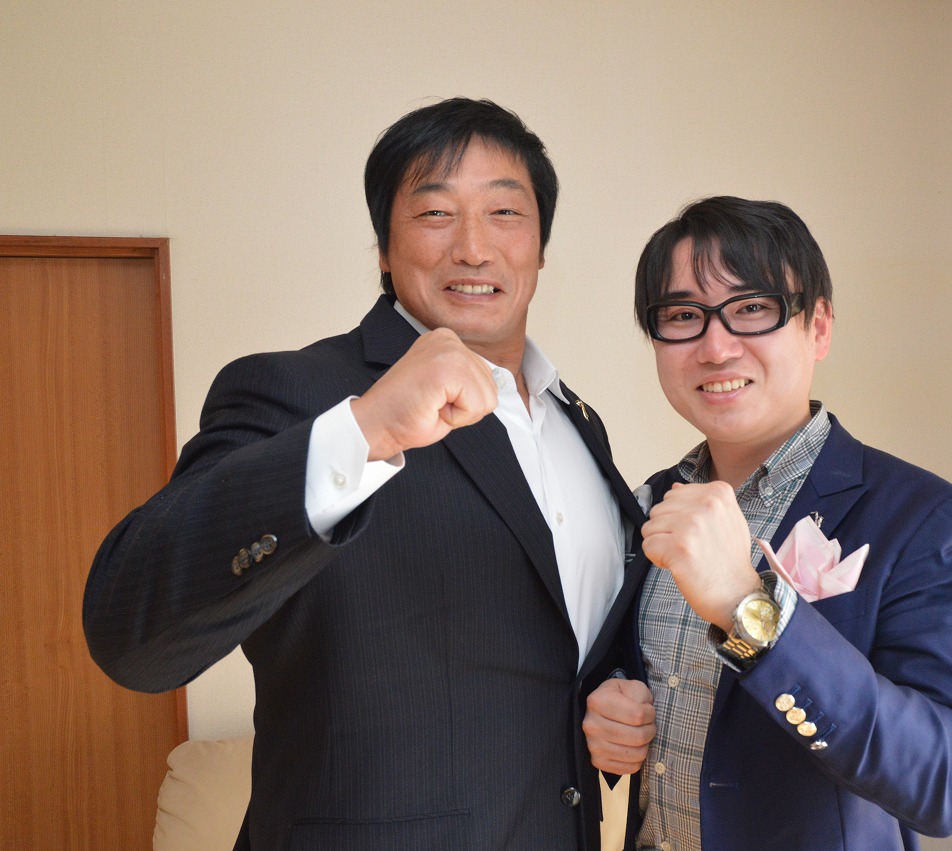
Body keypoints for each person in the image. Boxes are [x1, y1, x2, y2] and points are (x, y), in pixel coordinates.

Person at [84, 98, 647, 850]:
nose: (474, 247)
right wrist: (365, 430)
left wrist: (615, 697)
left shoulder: (578, 424)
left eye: (505, 212)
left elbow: (552, 649)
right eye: (436, 213)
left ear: (540, 246)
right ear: (384, 247)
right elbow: (131, 633)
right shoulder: (299, 393)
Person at [581, 196, 952, 850]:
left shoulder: (926, 518)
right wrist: (607, 706)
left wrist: (749, 607)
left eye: (753, 308)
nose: (716, 346)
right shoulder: (647, 503)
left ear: (819, 327)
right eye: (684, 316)